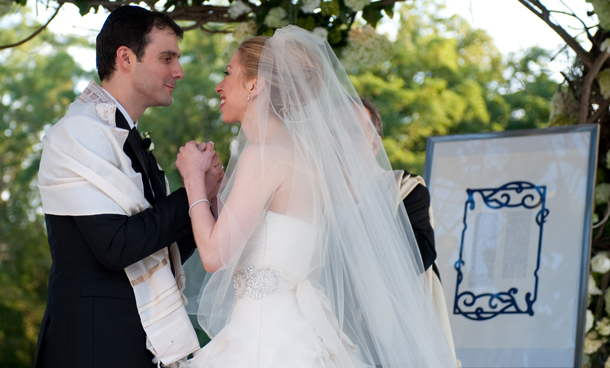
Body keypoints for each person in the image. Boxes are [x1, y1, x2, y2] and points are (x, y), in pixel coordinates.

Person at [177, 26, 457, 367]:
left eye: (228, 73)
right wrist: (212, 194)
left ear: (255, 84)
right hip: (295, 328)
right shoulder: (307, 159)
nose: (220, 86)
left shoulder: (264, 155)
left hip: (264, 340)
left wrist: (191, 178)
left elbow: (214, 256)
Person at [34, 6, 223, 367]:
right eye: (167, 58)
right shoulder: (77, 134)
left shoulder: (128, 139)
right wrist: (193, 188)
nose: (179, 72)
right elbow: (117, 246)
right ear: (125, 57)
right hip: (91, 347)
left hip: (139, 345)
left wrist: (206, 199)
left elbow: (158, 251)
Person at [359, 97, 459, 365]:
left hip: (395, 333)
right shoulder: (315, 196)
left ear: (374, 142)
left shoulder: (404, 188)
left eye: (354, 129)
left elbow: (420, 252)